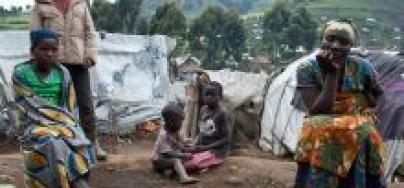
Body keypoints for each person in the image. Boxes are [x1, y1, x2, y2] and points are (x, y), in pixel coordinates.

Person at [293, 20, 385, 187]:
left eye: (343, 42)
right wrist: (332, 74)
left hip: (357, 123)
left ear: (351, 46)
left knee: (364, 129)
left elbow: (377, 97)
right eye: (330, 38)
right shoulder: (306, 68)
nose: (335, 45)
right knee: (324, 126)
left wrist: (373, 108)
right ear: (322, 39)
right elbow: (318, 110)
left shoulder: (363, 67)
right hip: (320, 120)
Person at [13, 28, 95, 188]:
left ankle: (75, 178)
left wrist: (70, 125)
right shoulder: (21, 73)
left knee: (80, 141)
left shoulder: (63, 73)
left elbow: (70, 106)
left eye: (53, 49)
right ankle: (66, 181)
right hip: (33, 124)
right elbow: (25, 106)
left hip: (62, 122)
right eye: (44, 49)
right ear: (33, 50)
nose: (49, 54)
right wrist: (50, 123)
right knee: (52, 141)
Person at [29, 0, 107, 160]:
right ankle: (58, 145)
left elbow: (90, 32)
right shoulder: (41, 5)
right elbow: (34, 35)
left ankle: (92, 143)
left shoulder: (80, 4)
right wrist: (36, 61)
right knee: (55, 106)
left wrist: (90, 55)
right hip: (53, 64)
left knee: (86, 105)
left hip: (79, 63)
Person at [152, 103, 200, 184]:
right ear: (171, 122)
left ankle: (170, 170)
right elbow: (167, 153)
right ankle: (184, 178)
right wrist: (184, 155)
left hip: (169, 157)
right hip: (159, 161)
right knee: (176, 161)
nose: (181, 124)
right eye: (180, 121)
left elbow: (182, 141)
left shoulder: (177, 131)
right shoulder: (164, 134)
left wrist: (188, 142)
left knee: (184, 155)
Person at [194, 81, 230, 161]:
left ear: (220, 97)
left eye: (212, 95)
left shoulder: (222, 113)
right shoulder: (203, 110)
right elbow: (201, 131)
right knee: (183, 153)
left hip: (217, 150)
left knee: (194, 161)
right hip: (203, 147)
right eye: (207, 94)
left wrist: (205, 148)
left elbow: (226, 139)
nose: (209, 97)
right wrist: (194, 143)